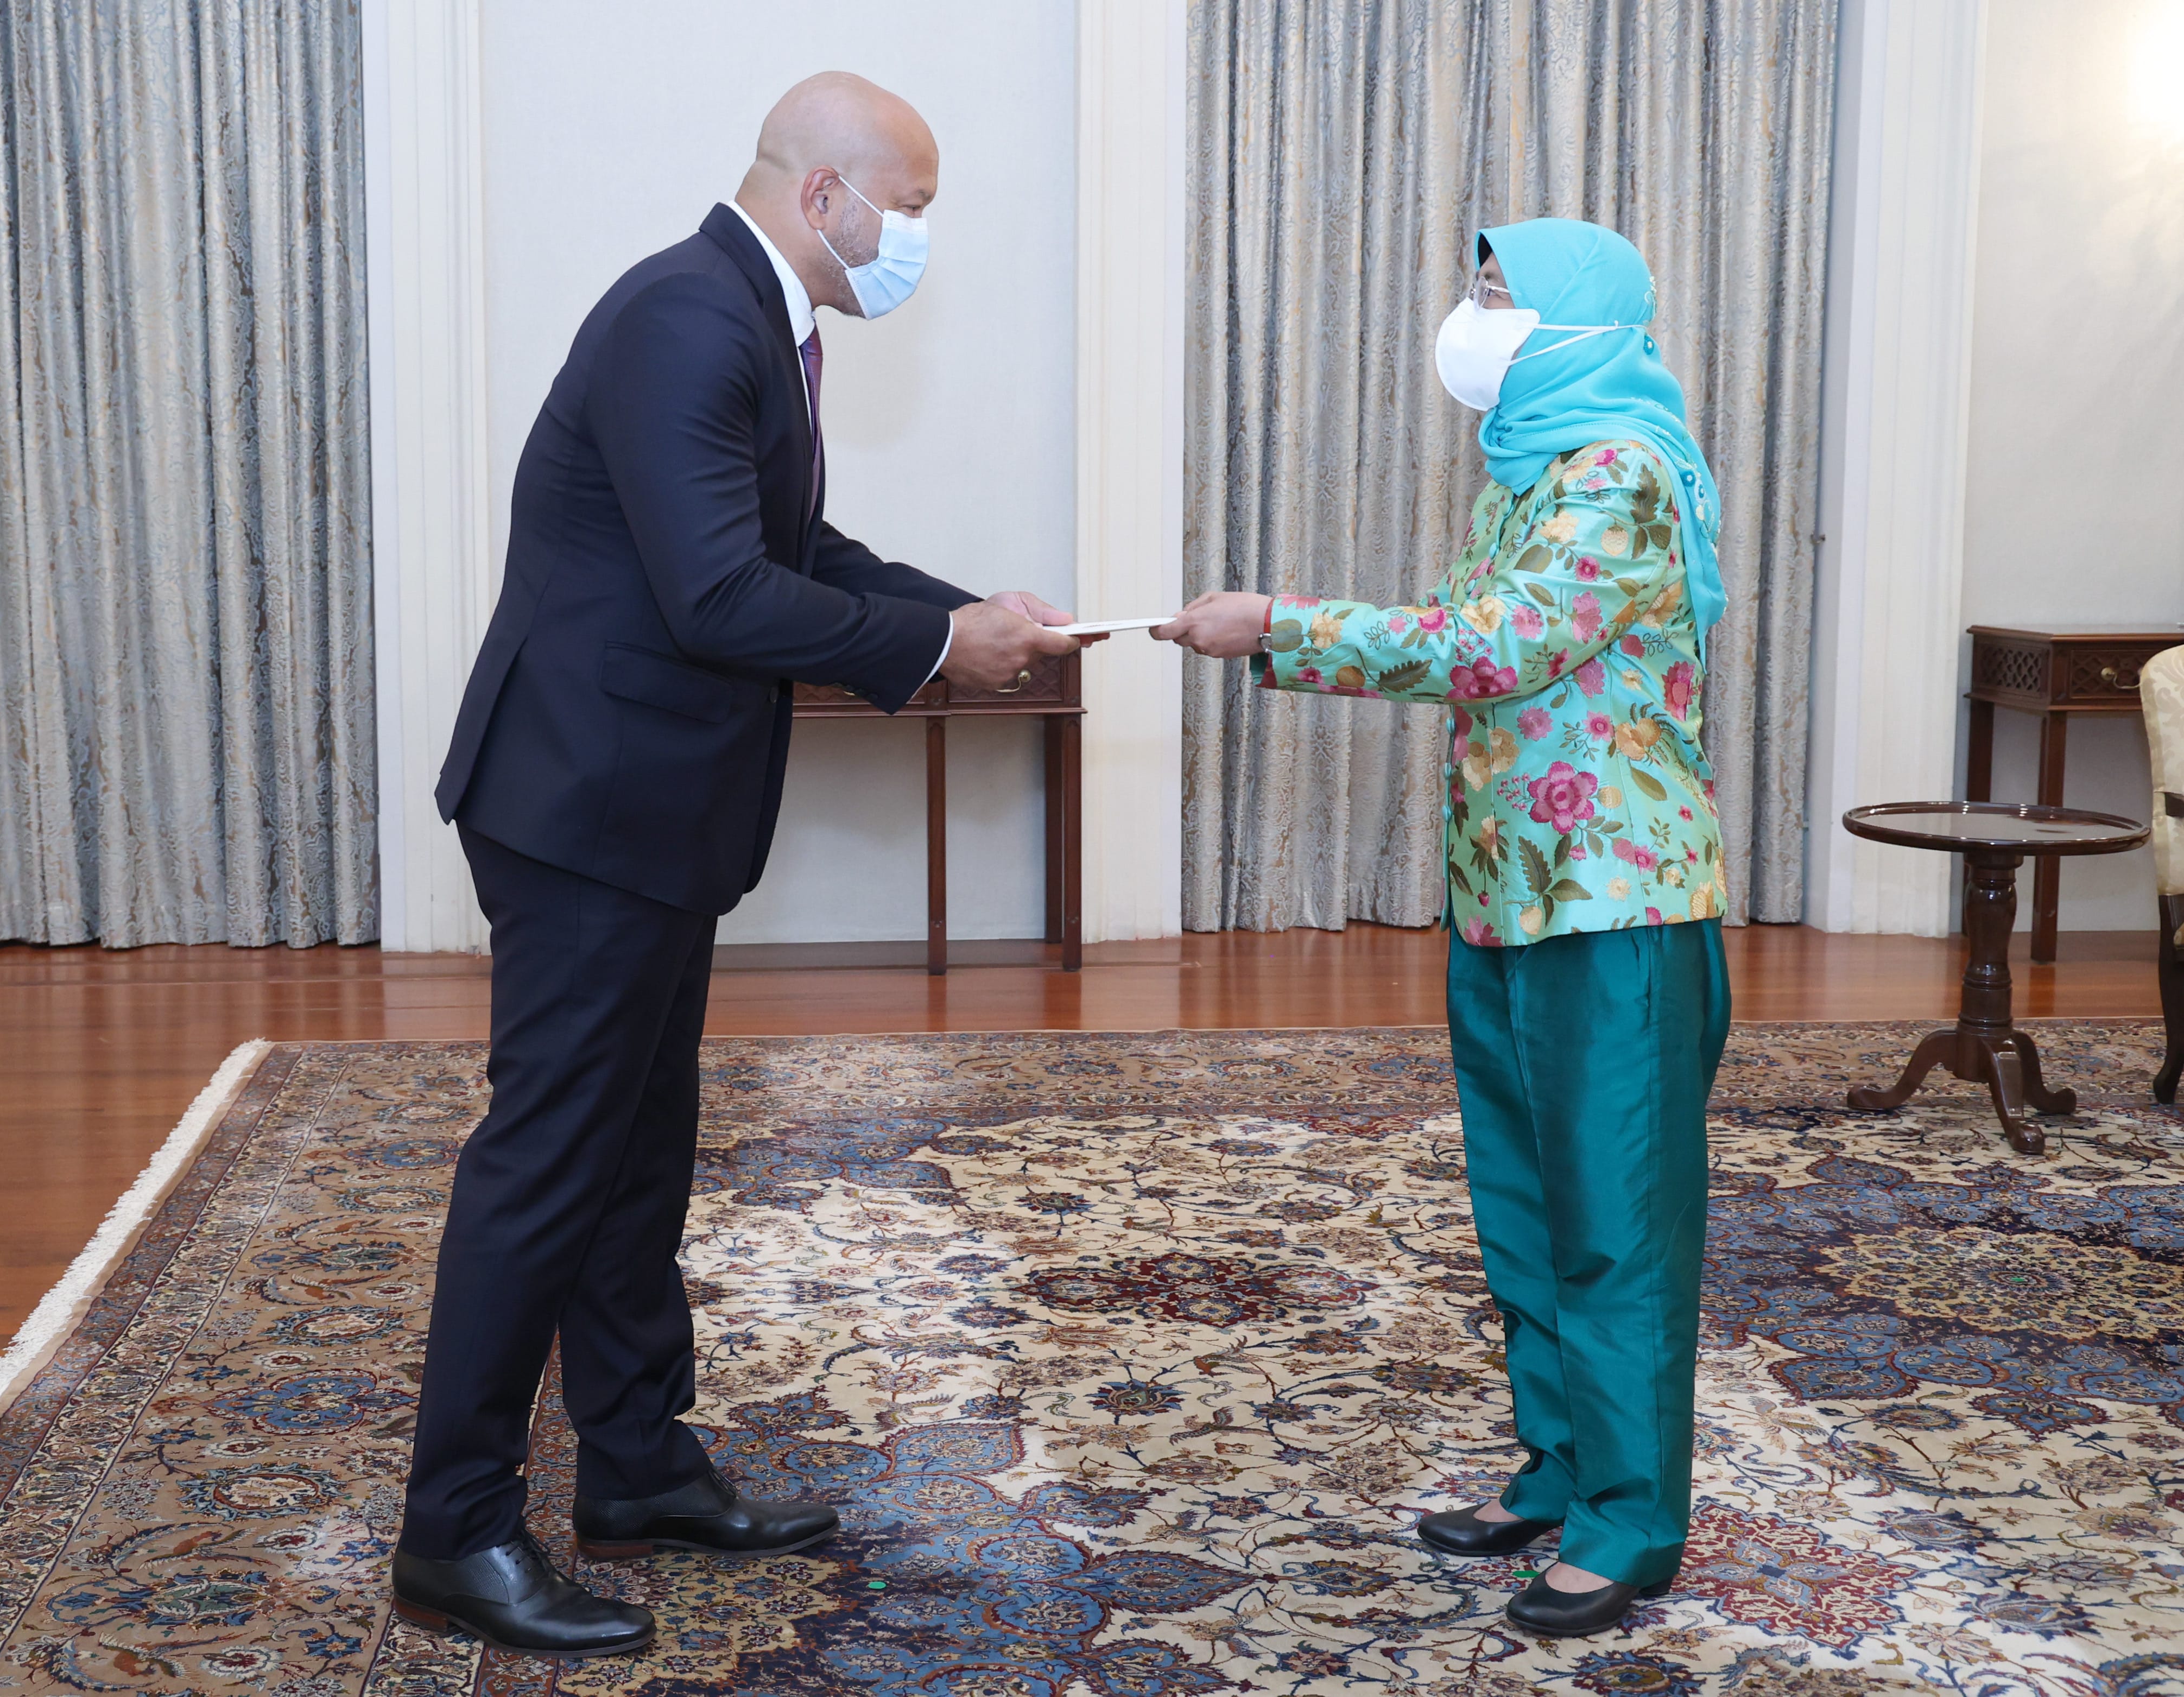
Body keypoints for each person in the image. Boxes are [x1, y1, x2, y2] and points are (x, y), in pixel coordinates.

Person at [395, 72, 1084, 1658]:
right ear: (824, 194)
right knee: (549, 1160)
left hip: (647, 805)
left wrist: (973, 622)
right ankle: (454, 1533)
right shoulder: (689, 319)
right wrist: (936, 644)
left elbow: (797, 561)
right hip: (581, 807)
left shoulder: (756, 320)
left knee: (638, 1153)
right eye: (908, 203)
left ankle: (635, 1469)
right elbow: (719, 600)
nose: (918, 236)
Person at [1158, 218, 1731, 1639]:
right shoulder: (1524, 475)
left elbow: (1494, 649)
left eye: (1497, 297)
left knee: (1616, 1229)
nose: (1469, 319)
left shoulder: (1622, 477)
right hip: (1504, 898)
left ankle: (1631, 1523)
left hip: (1618, 910)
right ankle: (1559, 1467)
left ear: (1577, 325)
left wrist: (1277, 624)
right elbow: (1477, 642)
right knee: (1528, 1213)